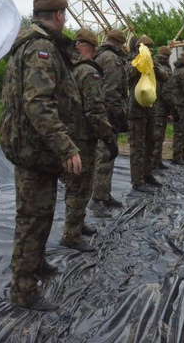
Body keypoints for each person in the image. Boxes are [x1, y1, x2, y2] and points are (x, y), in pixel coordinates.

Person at [0, 0, 82, 312]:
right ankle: (23, 291)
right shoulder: (41, 48)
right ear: (59, 15)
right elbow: (39, 103)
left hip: (34, 148)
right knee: (32, 218)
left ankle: (37, 263)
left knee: (41, 212)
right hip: (36, 149)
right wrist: (66, 146)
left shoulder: (29, 44)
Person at [62, 29, 117, 250]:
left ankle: (78, 223)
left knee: (74, 184)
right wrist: (109, 137)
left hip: (67, 134)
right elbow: (95, 110)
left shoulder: (66, 67)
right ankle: (72, 235)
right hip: (83, 138)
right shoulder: (88, 72)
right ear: (91, 48)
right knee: (80, 185)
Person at [89, 28, 128, 216]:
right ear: (120, 43)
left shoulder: (100, 55)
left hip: (101, 112)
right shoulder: (111, 59)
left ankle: (104, 194)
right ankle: (98, 199)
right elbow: (112, 91)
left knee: (107, 155)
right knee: (105, 155)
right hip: (108, 114)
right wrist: (120, 116)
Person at [126, 35, 166, 192]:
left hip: (150, 109)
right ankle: (137, 180)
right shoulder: (132, 60)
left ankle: (148, 173)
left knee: (151, 142)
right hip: (135, 110)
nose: (149, 51)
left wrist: (153, 66)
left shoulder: (152, 62)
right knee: (137, 146)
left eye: (151, 49)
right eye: (147, 48)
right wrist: (138, 63)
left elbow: (165, 77)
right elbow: (126, 76)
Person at [152, 46, 174, 170]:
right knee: (158, 137)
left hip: (153, 105)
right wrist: (172, 109)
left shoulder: (153, 67)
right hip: (160, 109)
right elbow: (166, 93)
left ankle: (156, 161)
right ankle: (155, 163)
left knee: (155, 137)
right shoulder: (165, 70)